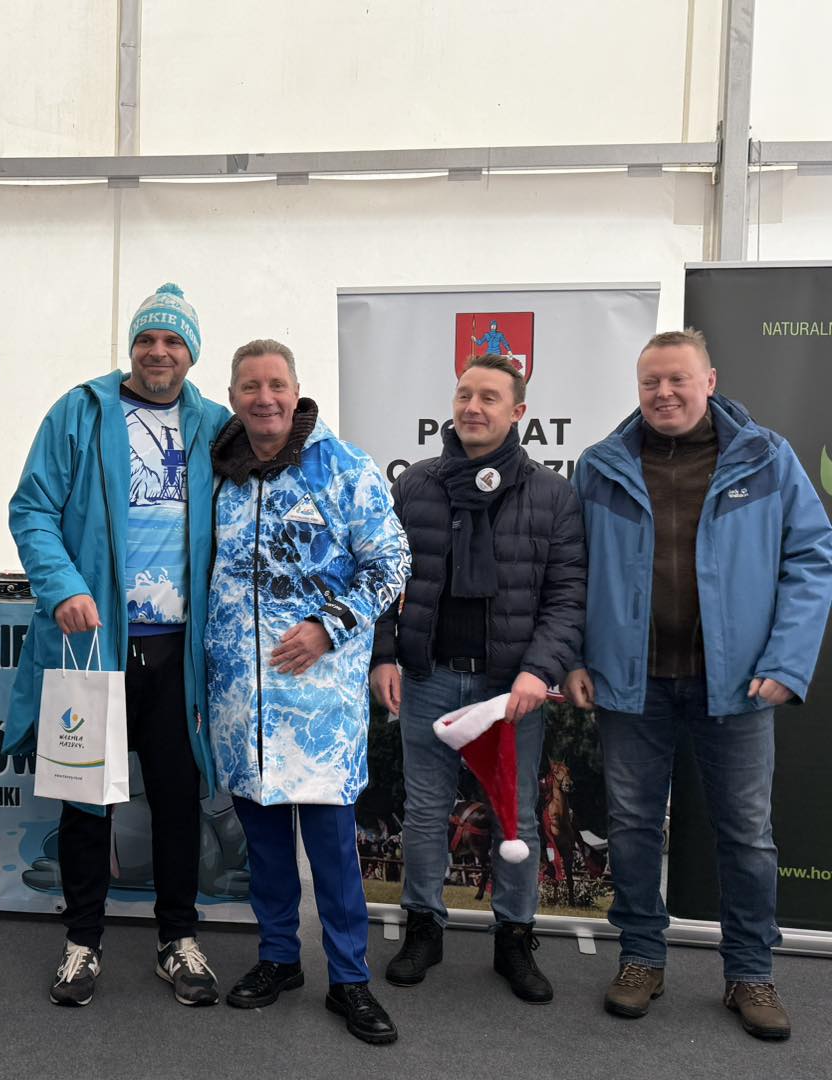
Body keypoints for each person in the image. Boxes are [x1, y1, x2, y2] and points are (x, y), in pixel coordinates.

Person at [565, 329, 832, 1040]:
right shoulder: (600, 466)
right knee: (631, 828)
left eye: (678, 379)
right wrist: (574, 658)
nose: (664, 393)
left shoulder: (767, 457)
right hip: (630, 686)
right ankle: (640, 958)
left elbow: (811, 557)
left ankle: (750, 971)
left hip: (738, 688)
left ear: (709, 381)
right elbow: (571, 570)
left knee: (746, 835)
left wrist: (788, 661)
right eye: (651, 381)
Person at [7, 283, 229, 1008]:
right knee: (86, 799)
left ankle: (178, 940)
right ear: (132, 346)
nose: (158, 352)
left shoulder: (215, 426)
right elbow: (32, 508)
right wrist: (63, 586)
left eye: (173, 341)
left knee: (177, 800)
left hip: (178, 654)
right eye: (147, 339)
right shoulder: (80, 411)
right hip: (93, 648)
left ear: (192, 354)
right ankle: (82, 942)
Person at [205, 339, 409, 1043]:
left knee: (333, 855)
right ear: (232, 397)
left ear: (297, 392)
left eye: (276, 385)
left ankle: (350, 978)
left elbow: (392, 562)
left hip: (320, 705)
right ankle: (278, 958)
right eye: (250, 386)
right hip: (241, 702)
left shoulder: (343, 466)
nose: (264, 398)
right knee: (263, 848)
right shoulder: (219, 474)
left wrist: (329, 627)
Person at [370, 353, 585, 1003]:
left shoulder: (553, 495)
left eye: (489, 397)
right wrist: (384, 655)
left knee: (514, 815)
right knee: (424, 813)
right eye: (464, 394)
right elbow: (383, 577)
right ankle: (423, 927)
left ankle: (514, 938)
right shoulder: (416, 486)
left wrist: (538, 671)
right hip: (429, 677)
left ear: (518, 412)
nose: (472, 407)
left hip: (509, 690)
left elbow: (567, 596)